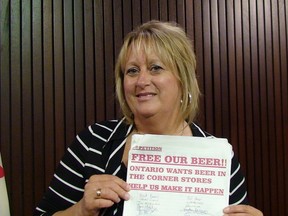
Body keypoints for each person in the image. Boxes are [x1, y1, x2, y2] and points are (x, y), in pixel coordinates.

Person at [34, 20, 263, 216]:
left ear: (183, 79)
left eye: (155, 68)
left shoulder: (219, 158)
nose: (142, 81)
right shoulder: (94, 142)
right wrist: (82, 210)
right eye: (132, 71)